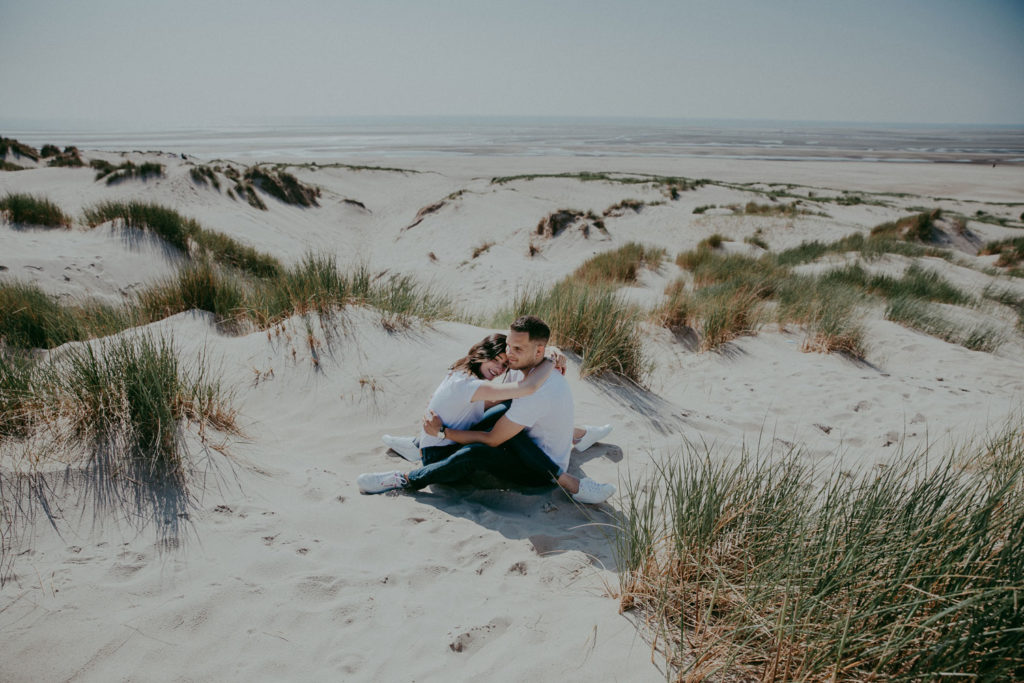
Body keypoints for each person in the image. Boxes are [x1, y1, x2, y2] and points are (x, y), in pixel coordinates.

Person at [358, 316, 616, 504]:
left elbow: (495, 436)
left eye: (516, 349)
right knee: (505, 414)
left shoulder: (533, 386)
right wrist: (549, 355)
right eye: (507, 348)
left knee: (487, 444)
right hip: (504, 444)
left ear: (537, 350)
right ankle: (578, 437)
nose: (509, 357)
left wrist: (444, 431)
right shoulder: (522, 370)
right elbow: (515, 390)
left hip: (539, 471)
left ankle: (407, 478)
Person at [381, 333, 611, 464]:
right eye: (496, 361)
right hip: (441, 452)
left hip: (440, 439)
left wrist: (548, 349)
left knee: (512, 408)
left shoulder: (460, 370)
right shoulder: (472, 385)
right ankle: (575, 443)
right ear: (483, 353)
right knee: (515, 410)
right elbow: (528, 387)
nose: (500, 369)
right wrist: (549, 358)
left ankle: (578, 435)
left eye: (504, 364)